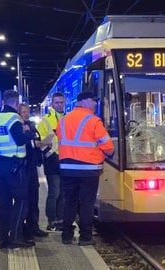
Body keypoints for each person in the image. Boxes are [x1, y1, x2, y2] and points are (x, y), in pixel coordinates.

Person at [57, 92, 114, 246]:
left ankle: (66, 236)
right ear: (85, 101)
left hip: (67, 168)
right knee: (87, 203)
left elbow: (62, 141)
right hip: (88, 169)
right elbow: (108, 147)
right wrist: (107, 152)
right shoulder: (94, 121)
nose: (95, 103)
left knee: (69, 202)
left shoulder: (63, 120)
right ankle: (85, 237)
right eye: (93, 101)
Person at [0, 90, 35, 249]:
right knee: (22, 200)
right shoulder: (14, 118)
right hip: (15, 167)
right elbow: (20, 139)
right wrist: (29, 133)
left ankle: (1, 239)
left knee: (4, 203)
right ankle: (16, 236)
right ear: (16, 103)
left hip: (0, 165)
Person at [18, 103, 49, 239]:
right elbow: (22, 142)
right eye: (23, 111)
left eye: (27, 111)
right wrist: (32, 142)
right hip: (23, 167)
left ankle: (34, 226)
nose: (25, 114)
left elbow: (36, 137)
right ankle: (24, 229)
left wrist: (38, 141)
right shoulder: (17, 126)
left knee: (34, 198)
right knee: (25, 198)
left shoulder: (31, 125)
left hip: (32, 166)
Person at [37, 92, 65, 231]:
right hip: (52, 160)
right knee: (55, 191)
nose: (59, 105)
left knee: (63, 192)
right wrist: (51, 153)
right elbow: (41, 142)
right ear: (52, 104)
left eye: (61, 102)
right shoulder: (45, 120)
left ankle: (60, 219)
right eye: (57, 102)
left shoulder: (67, 118)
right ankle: (51, 220)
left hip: (66, 160)